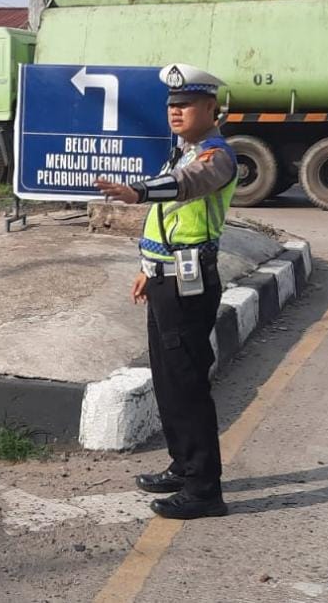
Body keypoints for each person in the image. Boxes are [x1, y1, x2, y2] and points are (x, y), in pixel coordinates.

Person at [95, 63, 237, 520]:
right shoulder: (183, 151)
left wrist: (137, 191)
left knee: (188, 384)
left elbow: (185, 187)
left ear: (211, 108)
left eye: (186, 104)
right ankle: (183, 465)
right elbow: (166, 222)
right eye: (172, 105)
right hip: (164, 278)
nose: (176, 112)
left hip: (189, 284)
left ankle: (203, 490)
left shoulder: (216, 157)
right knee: (167, 379)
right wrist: (145, 268)